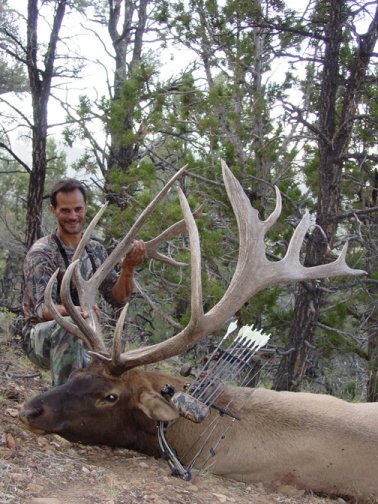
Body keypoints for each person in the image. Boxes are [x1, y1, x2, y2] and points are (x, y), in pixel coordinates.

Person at [22, 179, 146, 386]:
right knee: (71, 326)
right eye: (65, 210)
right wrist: (75, 311)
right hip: (39, 338)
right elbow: (41, 309)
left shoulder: (95, 250)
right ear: (53, 210)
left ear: (86, 207)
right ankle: (64, 408)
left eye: (78, 209)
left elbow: (118, 298)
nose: (73, 216)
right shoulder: (42, 253)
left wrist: (128, 268)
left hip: (85, 333)